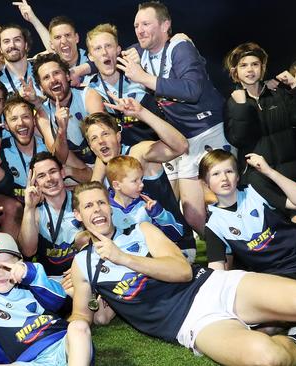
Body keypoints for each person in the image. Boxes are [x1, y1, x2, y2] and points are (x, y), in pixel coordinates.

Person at [70, 181, 296, 366]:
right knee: (267, 358)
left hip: (212, 285)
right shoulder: (83, 263)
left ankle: (276, 320)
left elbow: (182, 271)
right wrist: (88, 311)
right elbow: (81, 315)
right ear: (78, 215)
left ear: (109, 207)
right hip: (191, 323)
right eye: (88, 206)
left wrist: (123, 258)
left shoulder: (142, 230)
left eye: (101, 203)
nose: (97, 210)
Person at [122, 1, 230, 235]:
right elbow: (110, 54)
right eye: (136, 25)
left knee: (226, 197)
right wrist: (81, 70)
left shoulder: (179, 47)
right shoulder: (140, 52)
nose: (140, 30)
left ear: (165, 25)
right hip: (186, 140)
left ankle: (246, 254)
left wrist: (143, 78)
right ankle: (227, 256)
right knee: (192, 213)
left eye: (146, 24)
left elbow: (192, 90)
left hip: (210, 129)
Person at [82, 97, 196, 260]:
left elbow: (181, 146)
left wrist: (141, 112)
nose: (101, 141)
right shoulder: (102, 167)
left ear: (118, 137)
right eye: (94, 138)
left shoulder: (137, 154)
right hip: (134, 253)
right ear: (91, 146)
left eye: (105, 134)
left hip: (174, 246)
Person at [0, 232, 93, 366]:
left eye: (5, 265)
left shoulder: (34, 279)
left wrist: (30, 275)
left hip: (62, 346)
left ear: (19, 262)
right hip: (27, 361)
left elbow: (58, 301)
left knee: (79, 327)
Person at [223, 42, 296, 221]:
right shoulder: (232, 103)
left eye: (255, 64)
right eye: (244, 65)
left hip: (291, 178)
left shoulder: (278, 94)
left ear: (262, 67)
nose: (250, 70)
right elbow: (238, 139)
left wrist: (295, 86)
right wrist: (241, 107)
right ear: (235, 71)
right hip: (260, 184)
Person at [201, 150, 296, 279]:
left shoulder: (255, 190)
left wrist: (269, 172)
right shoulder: (214, 225)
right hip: (277, 276)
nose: (224, 178)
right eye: (216, 174)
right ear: (205, 182)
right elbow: (216, 268)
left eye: (229, 172)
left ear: (237, 176)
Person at [85, 23, 160, 146]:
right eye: (97, 48)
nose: (104, 52)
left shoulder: (139, 72)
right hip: (122, 159)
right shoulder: (90, 89)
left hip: (159, 147)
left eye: (108, 46)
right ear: (91, 57)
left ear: (118, 50)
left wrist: (177, 38)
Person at [19, 152, 83, 281]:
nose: (49, 179)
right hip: (50, 280)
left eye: (53, 171)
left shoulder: (81, 201)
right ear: (35, 183)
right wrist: (29, 207)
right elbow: (27, 251)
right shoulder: (35, 212)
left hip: (82, 273)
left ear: (62, 173)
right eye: (41, 176)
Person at [106, 155, 183, 242]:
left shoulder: (147, 205)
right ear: (117, 185)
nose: (142, 184)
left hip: (150, 254)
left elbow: (177, 235)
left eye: (141, 179)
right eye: (135, 181)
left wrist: (160, 215)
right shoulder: (106, 209)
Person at [0, 24, 42, 96]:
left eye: (17, 40)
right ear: (0, 48)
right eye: (6, 41)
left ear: (26, 45)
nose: (12, 45)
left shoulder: (41, 71)